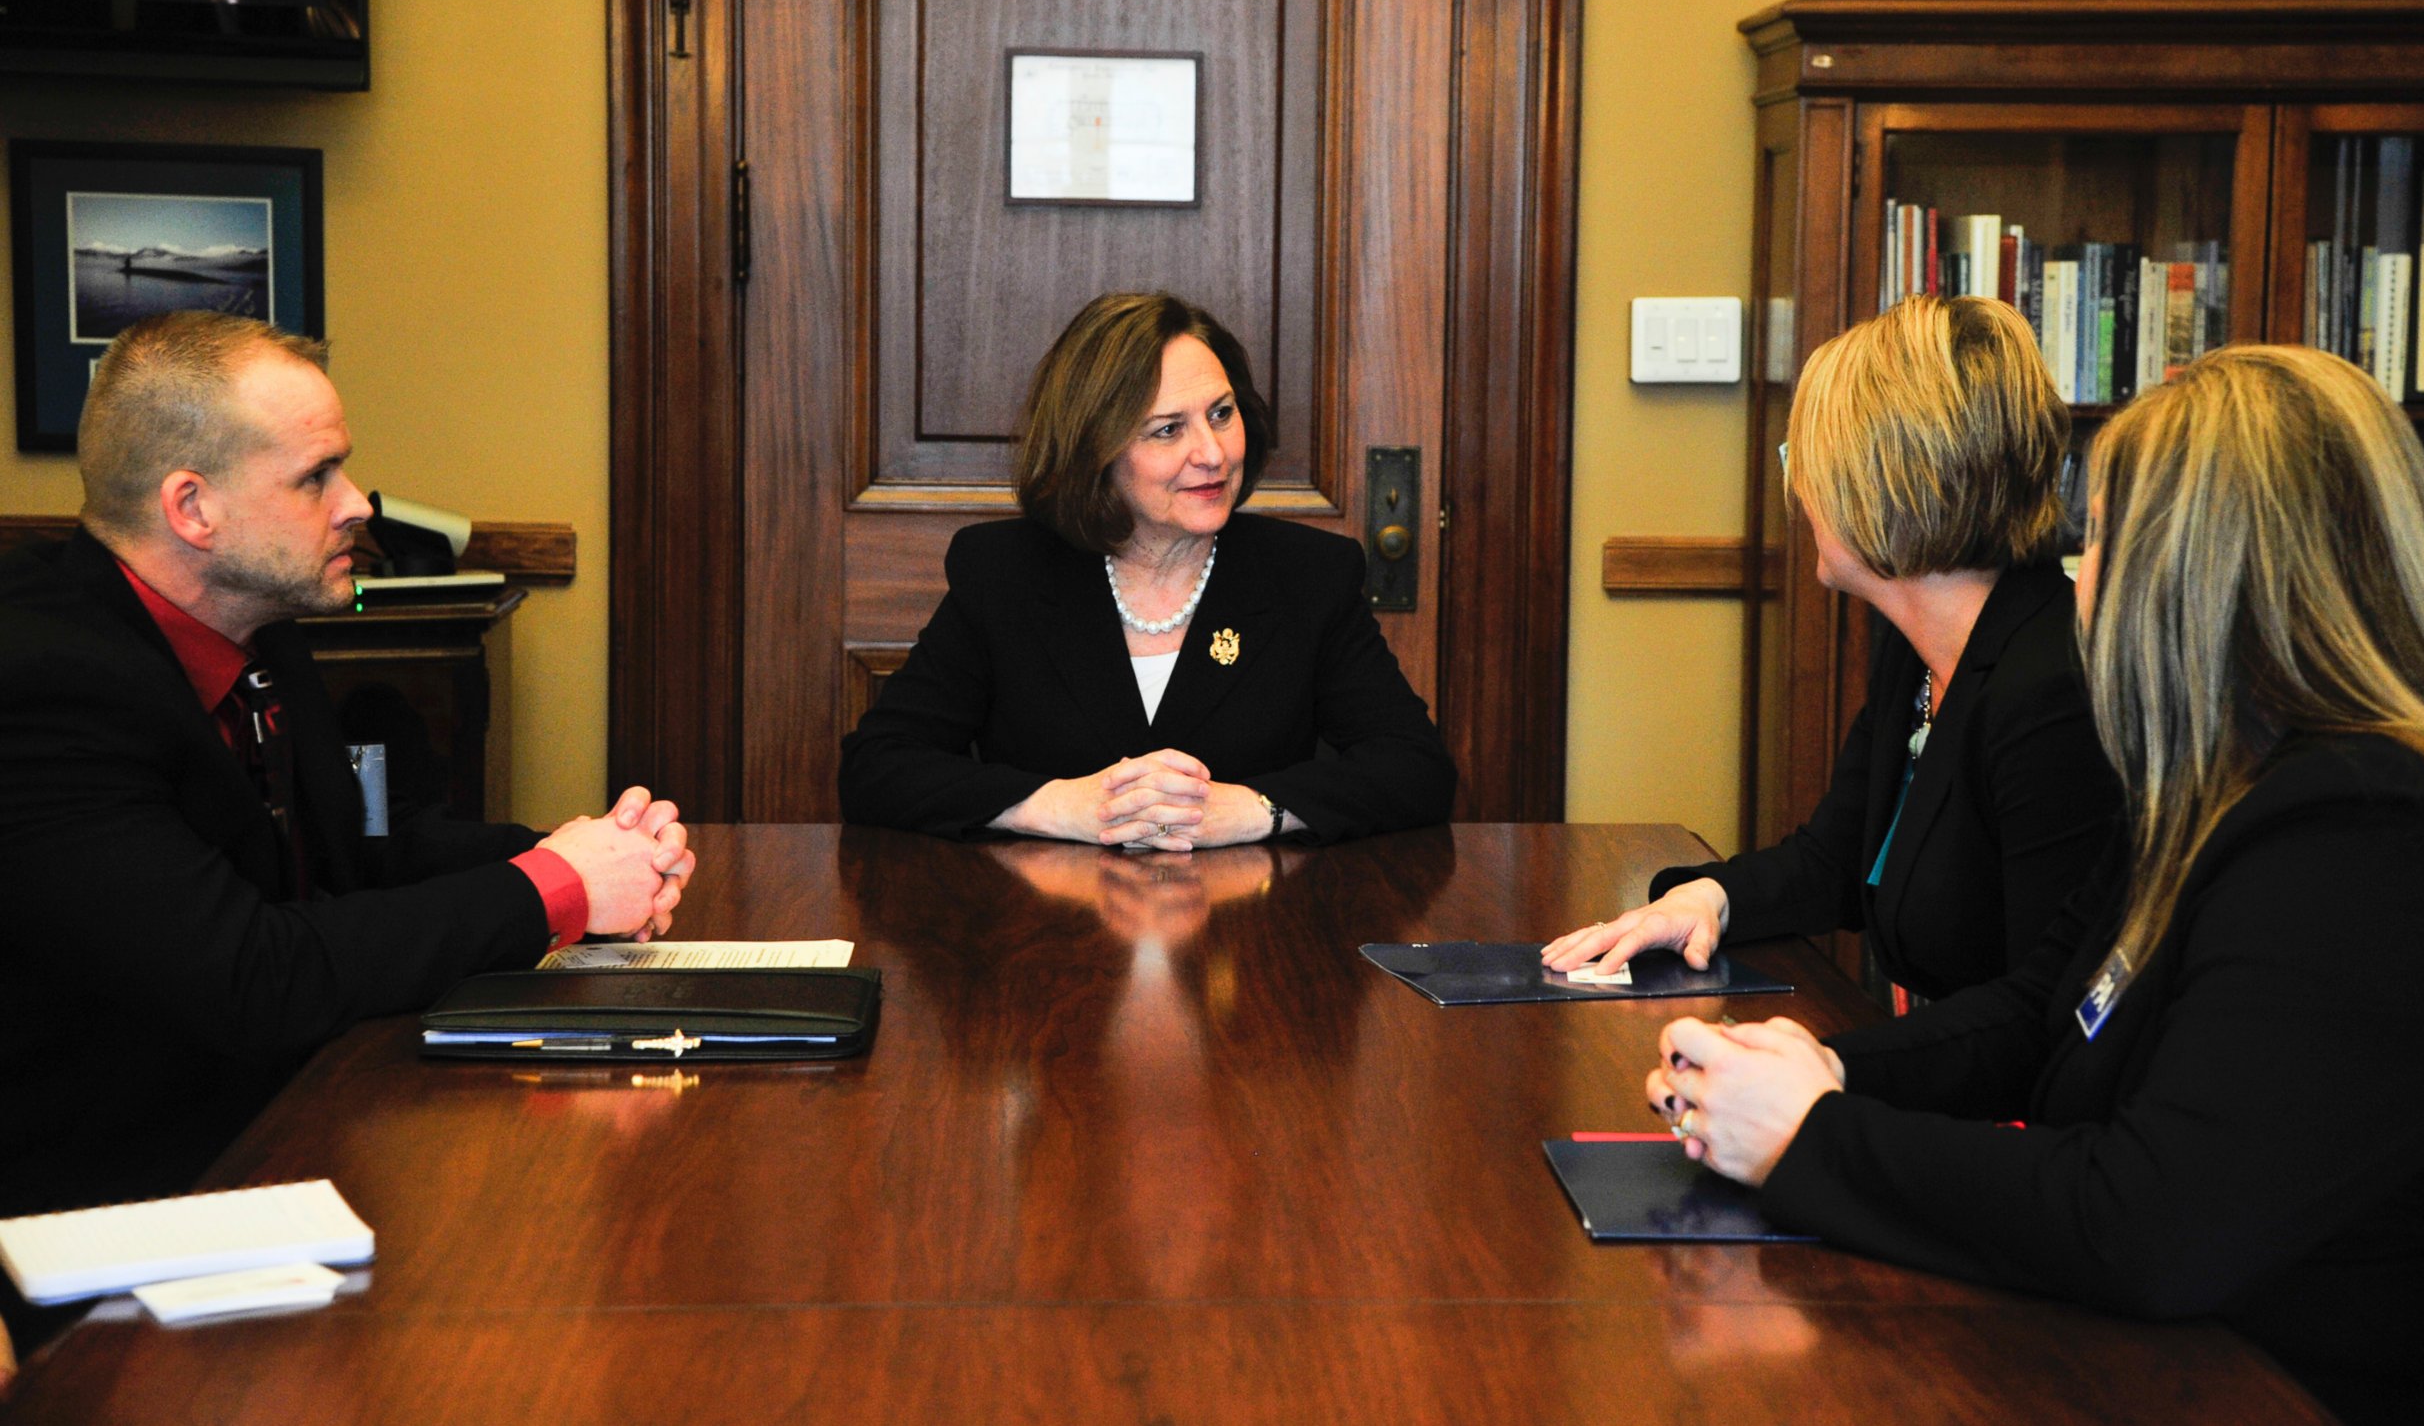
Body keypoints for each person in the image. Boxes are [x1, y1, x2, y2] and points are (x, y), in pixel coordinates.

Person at [1644, 347, 2424, 1426]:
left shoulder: (2383, 833)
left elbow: (2153, 1225)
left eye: (2098, 539)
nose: (2074, 573)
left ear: (2200, 575)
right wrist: (1821, 1069)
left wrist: (1813, 1137)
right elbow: (2041, 1013)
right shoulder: (2233, 776)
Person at [0, 313, 696, 1353]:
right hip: (113, 1225)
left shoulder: (261, 633)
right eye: (316, 476)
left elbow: (355, 862)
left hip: (285, 1151)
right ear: (192, 506)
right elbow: (249, 972)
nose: (358, 506)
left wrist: (583, 852)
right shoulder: (43, 684)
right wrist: (553, 887)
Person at [1546, 295, 2118, 999]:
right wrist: (1704, 900)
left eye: (1806, 460)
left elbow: (2042, 1012)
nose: (1799, 490)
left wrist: (1832, 1075)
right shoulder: (1918, 651)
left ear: (1882, 485)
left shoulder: (2051, 691)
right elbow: (1836, 859)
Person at [840, 291, 1453, 846]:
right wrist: (1055, 805)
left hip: (1246, 940)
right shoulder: (1007, 573)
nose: (1212, 454)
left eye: (1221, 413)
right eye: (1167, 430)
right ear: (1095, 451)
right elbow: (879, 767)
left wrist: (1255, 809)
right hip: (1047, 935)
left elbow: (1415, 768)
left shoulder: (1305, 575)